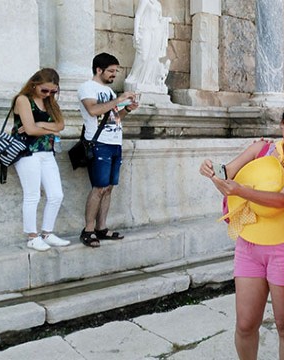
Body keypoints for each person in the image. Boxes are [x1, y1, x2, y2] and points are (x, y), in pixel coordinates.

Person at [199, 102, 284, 360]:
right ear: (281, 126)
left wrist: (241, 190)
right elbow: (227, 175)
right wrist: (211, 171)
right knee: (245, 324)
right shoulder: (260, 148)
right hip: (249, 244)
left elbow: (282, 200)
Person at [78, 53, 139, 248]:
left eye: (116, 71)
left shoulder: (110, 93)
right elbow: (93, 111)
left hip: (115, 142)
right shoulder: (87, 87)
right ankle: (88, 230)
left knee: (109, 188)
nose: (114, 75)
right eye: (111, 71)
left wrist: (127, 109)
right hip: (99, 143)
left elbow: (114, 117)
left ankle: (101, 227)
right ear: (99, 69)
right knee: (99, 188)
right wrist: (119, 99)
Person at [11, 68, 70, 251]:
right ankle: (32, 236)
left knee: (56, 195)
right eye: (45, 90)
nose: (48, 94)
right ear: (34, 84)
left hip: (46, 152)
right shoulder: (23, 100)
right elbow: (30, 130)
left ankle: (47, 233)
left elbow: (61, 124)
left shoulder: (50, 102)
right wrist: (53, 131)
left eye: (53, 91)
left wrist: (42, 124)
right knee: (32, 195)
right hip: (27, 153)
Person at [125, 0, 171, 93]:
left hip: (156, 32)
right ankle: (134, 77)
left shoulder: (158, 4)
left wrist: (165, 20)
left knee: (153, 57)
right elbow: (138, 16)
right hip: (145, 29)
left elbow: (159, 19)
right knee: (143, 56)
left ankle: (148, 81)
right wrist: (136, 32)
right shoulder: (145, 1)